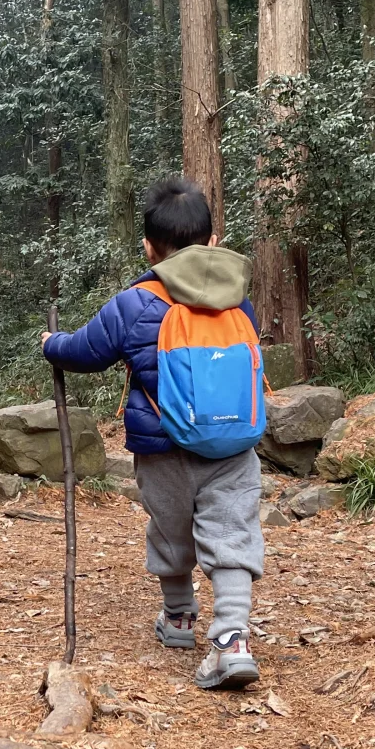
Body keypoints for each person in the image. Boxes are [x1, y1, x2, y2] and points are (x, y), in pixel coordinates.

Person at [41, 176, 264, 690]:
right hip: (234, 447)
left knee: (170, 529)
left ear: (148, 245)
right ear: (212, 240)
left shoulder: (136, 302)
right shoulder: (239, 299)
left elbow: (85, 351)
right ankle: (232, 640)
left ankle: (180, 618)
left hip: (163, 448)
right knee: (231, 533)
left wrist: (52, 343)